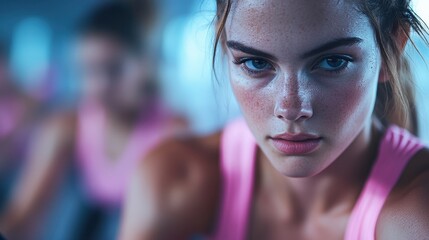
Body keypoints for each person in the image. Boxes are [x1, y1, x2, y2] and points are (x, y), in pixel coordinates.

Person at [119, 0, 429, 239]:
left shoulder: (417, 210)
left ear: (391, 48)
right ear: (224, 45)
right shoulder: (176, 179)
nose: (290, 107)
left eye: (333, 62)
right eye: (255, 63)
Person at [0, 1, 185, 239]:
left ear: (145, 64)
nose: (99, 86)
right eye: (87, 71)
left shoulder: (173, 131)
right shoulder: (67, 125)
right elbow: (23, 218)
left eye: (113, 69)